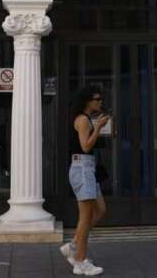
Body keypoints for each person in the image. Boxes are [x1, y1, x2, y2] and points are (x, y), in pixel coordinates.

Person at [60, 85, 110, 276]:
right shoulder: (82, 120)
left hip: (87, 168)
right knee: (85, 217)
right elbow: (85, 146)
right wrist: (98, 128)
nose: (100, 102)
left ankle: (73, 246)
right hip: (82, 168)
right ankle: (80, 261)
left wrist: (99, 128)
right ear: (87, 101)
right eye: (97, 99)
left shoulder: (87, 119)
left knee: (101, 210)